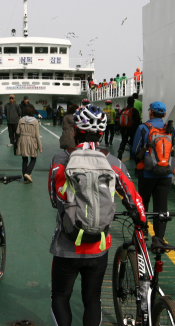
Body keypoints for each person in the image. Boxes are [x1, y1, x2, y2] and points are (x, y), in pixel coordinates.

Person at [48, 104, 146, 326]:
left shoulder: (59, 160)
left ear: (76, 131)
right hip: (98, 246)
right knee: (92, 299)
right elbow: (133, 198)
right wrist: (141, 220)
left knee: (60, 297)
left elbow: (55, 201)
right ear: (101, 134)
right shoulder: (113, 163)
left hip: (66, 245)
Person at [130, 101, 175, 248]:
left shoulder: (143, 128)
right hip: (165, 176)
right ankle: (159, 239)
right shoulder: (170, 130)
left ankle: (143, 233)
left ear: (150, 112)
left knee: (143, 203)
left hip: (146, 175)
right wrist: (165, 163)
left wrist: (145, 162)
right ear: (164, 114)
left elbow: (135, 151)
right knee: (161, 207)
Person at [16, 105, 42, 183]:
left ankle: (25, 179)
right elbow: (37, 135)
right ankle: (28, 173)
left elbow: (17, 132)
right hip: (31, 141)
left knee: (24, 159)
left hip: (22, 140)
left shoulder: (21, 120)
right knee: (33, 158)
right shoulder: (35, 121)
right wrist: (40, 147)